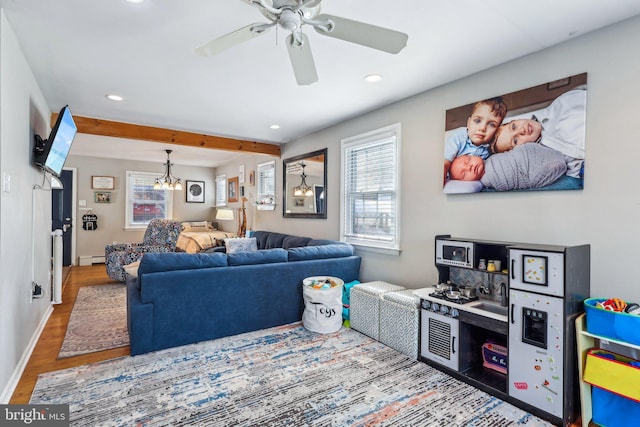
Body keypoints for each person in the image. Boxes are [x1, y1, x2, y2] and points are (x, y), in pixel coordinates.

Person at [490, 88, 586, 178]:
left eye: (514, 126)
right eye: (515, 140)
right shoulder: (547, 162)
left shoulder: (565, 103)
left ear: (515, 120)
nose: (521, 131)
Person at [449, 143, 567, 191]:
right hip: (526, 174)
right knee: (539, 174)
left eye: (468, 160)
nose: (469, 167)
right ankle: (558, 164)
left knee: (526, 148)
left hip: (524, 155)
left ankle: (555, 155)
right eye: (464, 174)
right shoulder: (487, 181)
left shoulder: (489, 157)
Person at [443, 97, 507, 183]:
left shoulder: (490, 146)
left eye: (492, 124)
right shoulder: (457, 138)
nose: (482, 128)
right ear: (469, 123)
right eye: (477, 121)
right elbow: (444, 164)